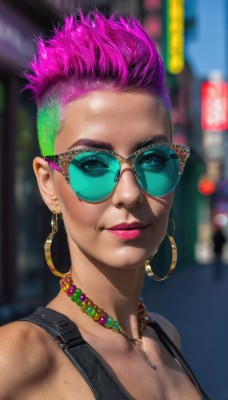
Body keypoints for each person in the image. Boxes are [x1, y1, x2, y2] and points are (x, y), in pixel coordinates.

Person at [0, 11, 209, 400]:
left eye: (153, 159)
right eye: (93, 165)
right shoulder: (17, 360)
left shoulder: (165, 336)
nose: (129, 193)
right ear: (48, 185)